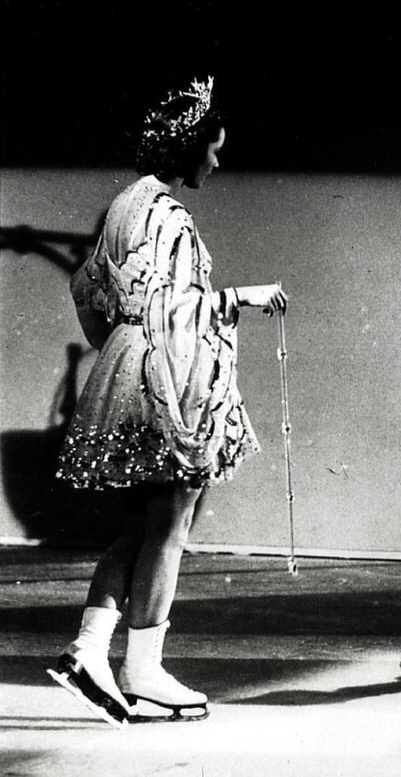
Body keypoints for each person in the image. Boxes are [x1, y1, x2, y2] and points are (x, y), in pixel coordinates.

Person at [49, 76, 288, 726]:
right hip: (166, 379)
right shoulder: (172, 216)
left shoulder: (126, 204)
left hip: (129, 366)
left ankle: (89, 651)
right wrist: (244, 298)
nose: (218, 159)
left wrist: (118, 350)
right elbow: (173, 308)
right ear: (189, 146)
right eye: (214, 147)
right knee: (170, 528)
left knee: (143, 525)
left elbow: (83, 288)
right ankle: (143, 669)